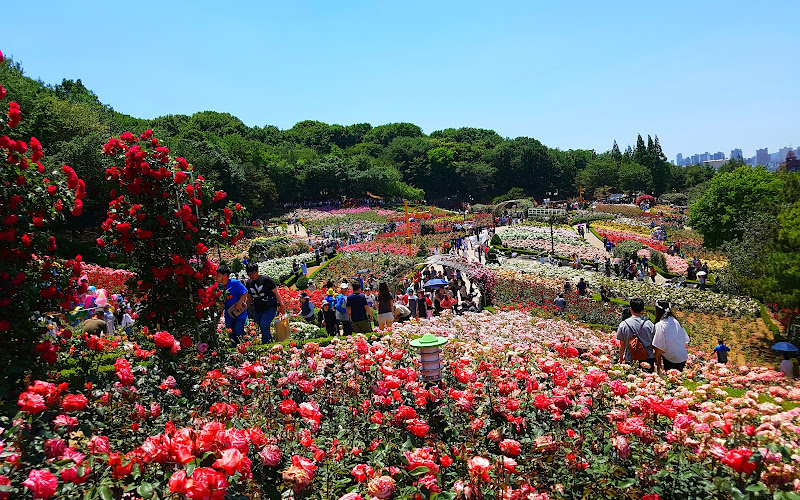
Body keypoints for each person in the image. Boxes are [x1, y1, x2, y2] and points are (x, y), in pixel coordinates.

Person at [245, 263, 284, 344]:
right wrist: (244, 307)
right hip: (258, 309)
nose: (251, 276)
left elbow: (276, 292)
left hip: (270, 307)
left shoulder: (266, 280)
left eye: (253, 273)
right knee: (262, 326)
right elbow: (249, 298)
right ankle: (270, 341)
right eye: (249, 274)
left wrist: (281, 305)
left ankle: (265, 344)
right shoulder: (248, 283)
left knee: (264, 324)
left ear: (257, 271)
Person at [616, 297, 656, 372]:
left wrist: (621, 358)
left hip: (631, 357)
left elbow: (622, 344)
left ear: (630, 309)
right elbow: (655, 342)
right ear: (643, 310)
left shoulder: (624, 324)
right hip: (648, 357)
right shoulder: (649, 324)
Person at [652, 299, 690, 374]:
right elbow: (685, 339)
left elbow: (659, 347)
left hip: (671, 359)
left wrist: (657, 359)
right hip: (682, 356)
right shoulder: (676, 321)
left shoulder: (661, 325)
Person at [215, 265, 250, 344]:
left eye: (218, 275)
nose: (216, 277)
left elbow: (245, 292)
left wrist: (239, 303)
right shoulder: (219, 287)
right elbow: (221, 303)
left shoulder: (234, 283)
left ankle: (245, 345)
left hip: (239, 312)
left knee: (238, 331)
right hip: (228, 314)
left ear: (225, 275)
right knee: (230, 334)